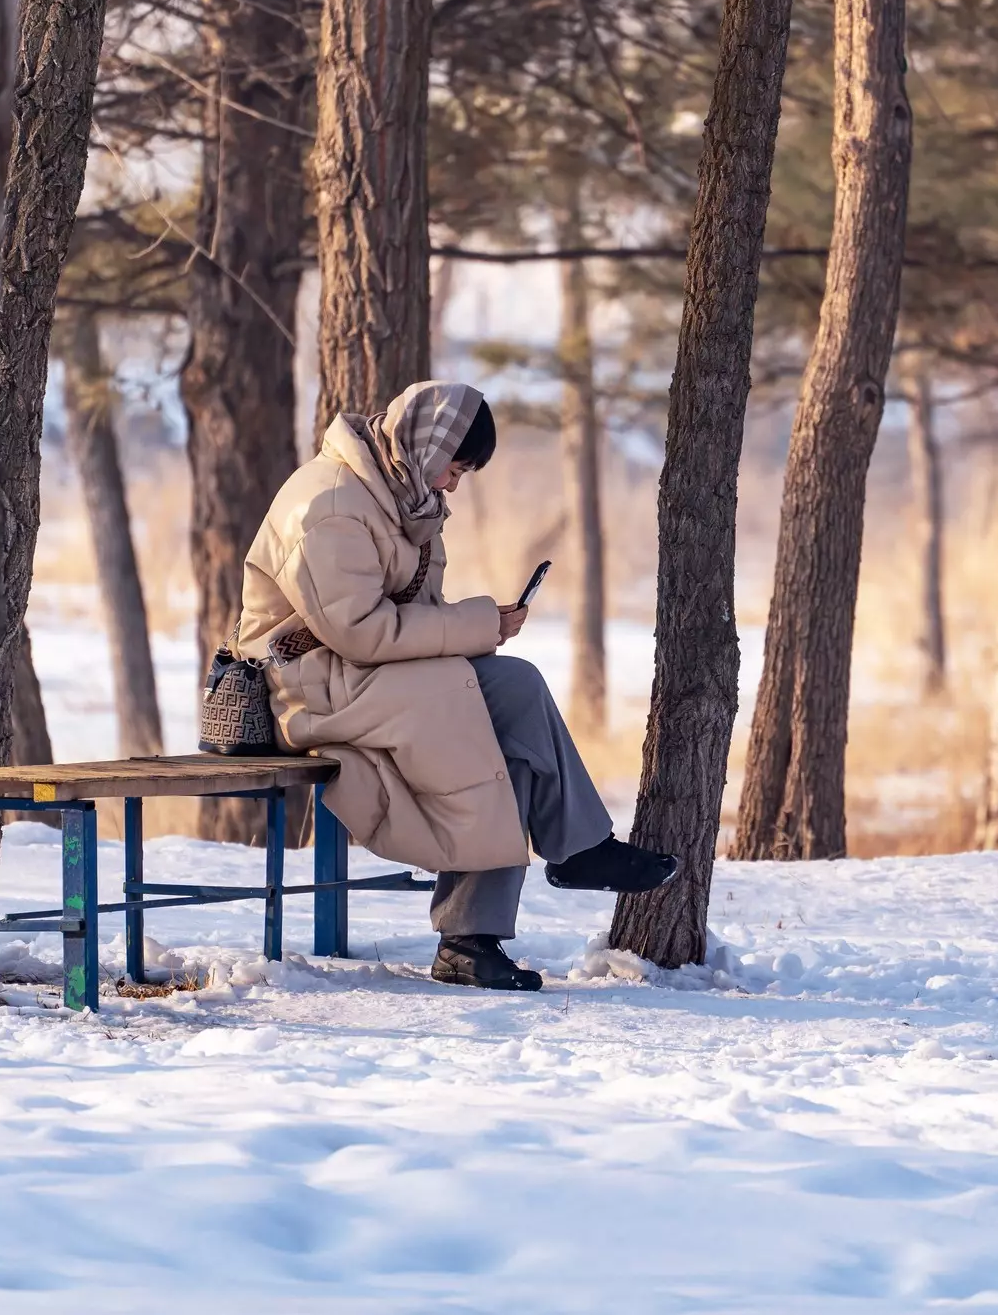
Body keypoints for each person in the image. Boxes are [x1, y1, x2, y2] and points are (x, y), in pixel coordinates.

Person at [237, 380, 677, 991]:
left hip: (370, 677)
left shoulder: (402, 495)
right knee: (465, 705)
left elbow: (411, 620)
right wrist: (475, 625)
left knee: (514, 689)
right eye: (455, 466)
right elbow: (359, 632)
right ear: (427, 442)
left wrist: (481, 629)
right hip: (311, 685)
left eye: (464, 473)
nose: (452, 484)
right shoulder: (331, 504)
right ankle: (489, 923)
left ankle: (561, 863)